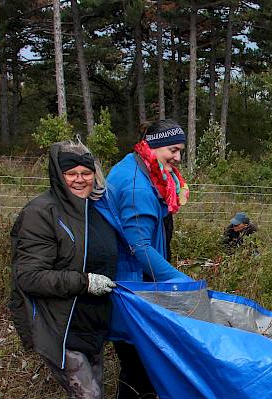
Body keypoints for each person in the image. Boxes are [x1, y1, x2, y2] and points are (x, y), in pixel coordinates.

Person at [8, 141, 118, 399]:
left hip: (93, 324)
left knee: (95, 391)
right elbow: (29, 277)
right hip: (62, 325)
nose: (80, 180)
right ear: (59, 176)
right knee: (88, 395)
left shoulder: (96, 211)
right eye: (71, 174)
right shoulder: (42, 213)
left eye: (86, 173)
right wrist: (85, 282)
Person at [95, 119, 193, 399]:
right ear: (153, 145)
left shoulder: (143, 167)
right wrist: (182, 283)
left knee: (142, 367)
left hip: (139, 282)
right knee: (139, 370)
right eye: (173, 150)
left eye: (180, 151)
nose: (177, 157)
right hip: (133, 288)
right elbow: (140, 247)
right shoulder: (136, 184)